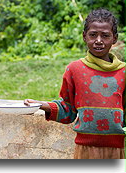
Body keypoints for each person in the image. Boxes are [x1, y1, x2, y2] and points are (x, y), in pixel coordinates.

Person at [24, 8, 125, 159]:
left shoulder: (123, 72)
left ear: (114, 38)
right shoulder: (75, 70)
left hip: (116, 150)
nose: (98, 40)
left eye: (105, 36)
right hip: (84, 149)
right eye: (93, 35)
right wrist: (42, 105)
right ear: (84, 37)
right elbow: (68, 109)